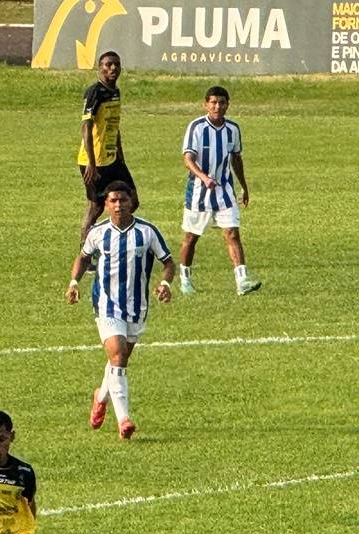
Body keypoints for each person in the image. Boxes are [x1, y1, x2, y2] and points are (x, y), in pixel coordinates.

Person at [66, 182, 176, 440]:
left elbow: (168, 262)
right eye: (113, 200)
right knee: (117, 356)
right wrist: (73, 282)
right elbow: (83, 257)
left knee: (120, 360)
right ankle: (124, 419)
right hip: (106, 305)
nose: (118, 205)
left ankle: (100, 396)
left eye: (122, 200)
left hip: (137, 306)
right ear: (106, 205)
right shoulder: (98, 232)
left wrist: (164, 283)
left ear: (131, 201)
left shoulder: (147, 232)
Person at [177, 85, 260, 296]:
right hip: (198, 191)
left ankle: (242, 281)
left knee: (232, 233)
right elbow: (188, 159)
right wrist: (204, 177)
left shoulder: (233, 129)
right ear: (206, 104)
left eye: (221, 102)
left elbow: (236, 158)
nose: (217, 106)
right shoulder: (196, 127)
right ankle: (185, 278)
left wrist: (244, 186)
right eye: (213, 102)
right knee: (191, 237)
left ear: (227, 105)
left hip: (225, 191)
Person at [77, 50, 135, 241]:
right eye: (108, 65)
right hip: (95, 160)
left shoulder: (115, 92)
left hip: (113, 158)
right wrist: (91, 163)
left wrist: (121, 154)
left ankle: (107, 236)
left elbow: (114, 126)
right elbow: (86, 127)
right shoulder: (95, 93)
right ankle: (86, 252)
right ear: (99, 68)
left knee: (132, 201)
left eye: (116, 65)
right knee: (96, 206)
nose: (112, 68)